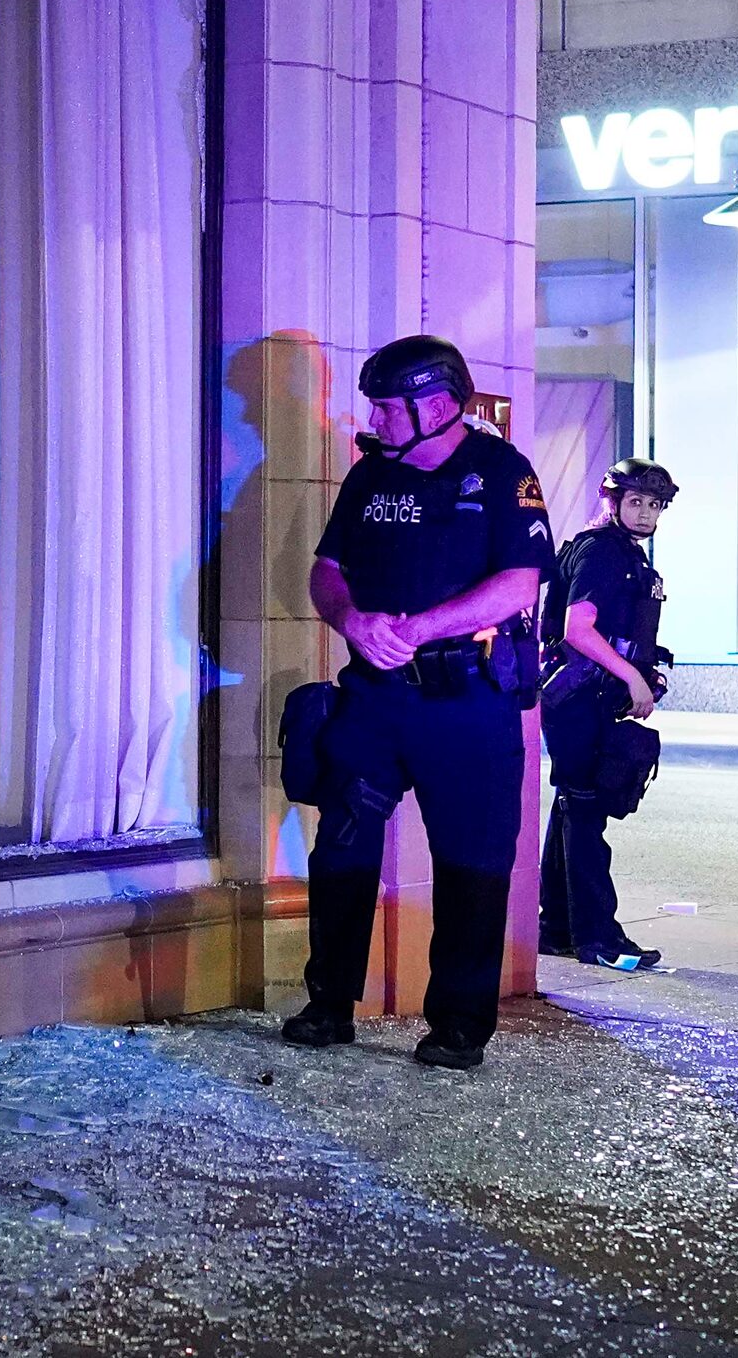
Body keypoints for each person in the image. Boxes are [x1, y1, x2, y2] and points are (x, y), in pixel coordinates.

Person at [282, 334, 558, 1071]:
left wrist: (417, 629)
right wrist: (353, 621)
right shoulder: (370, 478)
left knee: (471, 861)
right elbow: (325, 573)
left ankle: (458, 1025)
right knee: (342, 843)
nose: (376, 415)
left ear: (437, 404)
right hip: (375, 698)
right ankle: (328, 1003)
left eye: (388, 404)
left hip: (466, 700)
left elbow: (517, 585)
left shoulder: (502, 473)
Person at [537, 458, 678, 973]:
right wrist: (633, 677)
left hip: (593, 695)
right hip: (578, 696)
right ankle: (597, 937)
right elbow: (578, 628)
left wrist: (644, 668)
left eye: (654, 505)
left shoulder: (625, 555)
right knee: (588, 808)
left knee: (575, 807)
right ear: (612, 502)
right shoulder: (600, 551)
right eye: (635, 502)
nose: (645, 513)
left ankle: (555, 928)